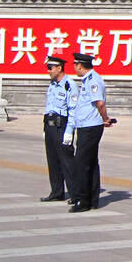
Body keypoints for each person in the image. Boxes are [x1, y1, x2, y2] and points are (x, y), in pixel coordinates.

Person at [69, 52, 114, 212]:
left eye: (75, 65)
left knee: (81, 163)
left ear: (80, 66)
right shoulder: (89, 79)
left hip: (90, 127)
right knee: (90, 163)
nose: (74, 68)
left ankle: (83, 200)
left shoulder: (93, 80)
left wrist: (105, 119)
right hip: (86, 126)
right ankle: (92, 199)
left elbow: (100, 103)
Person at [39, 56, 76, 203]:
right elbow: (49, 106)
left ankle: (75, 193)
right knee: (52, 161)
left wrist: (69, 131)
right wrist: (45, 128)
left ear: (59, 68)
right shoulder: (52, 85)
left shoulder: (69, 85)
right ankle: (56, 192)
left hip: (62, 126)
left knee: (67, 162)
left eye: (50, 68)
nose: (48, 71)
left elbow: (73, 110)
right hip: (50, 125)